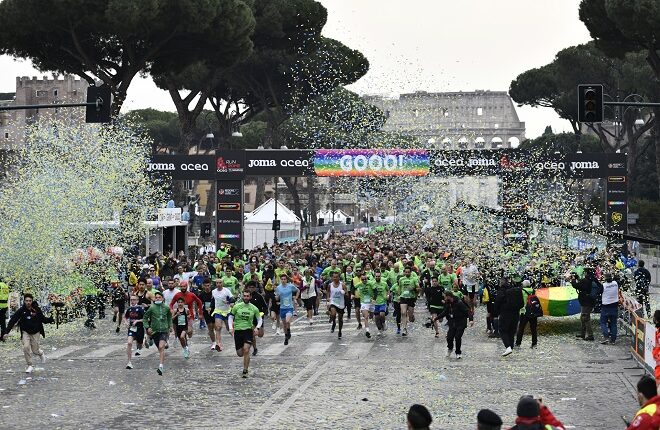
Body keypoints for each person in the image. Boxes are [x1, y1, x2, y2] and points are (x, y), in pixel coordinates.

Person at [1, 293, 53, 373]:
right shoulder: (21, 311)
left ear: (32, 301)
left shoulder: (36, 309)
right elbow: (13, 320)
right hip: (25, 332)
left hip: (36, 332)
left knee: (35, 350)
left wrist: (51, 319)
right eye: (26, 301)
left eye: (30, 301)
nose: (28, 302)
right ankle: (30, 365)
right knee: (26, 347)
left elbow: (43, 319)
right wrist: (6, 332)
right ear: (24, 301)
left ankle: (40, 353)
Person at [229, 290, 263, 377]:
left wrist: (257, 328)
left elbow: (259, 319)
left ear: (250, 297)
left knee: (246, 349)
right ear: (242, 296)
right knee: (240, 353)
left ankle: (245, 370)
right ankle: (245, 358)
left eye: (248, 296)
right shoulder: (237, 307)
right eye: (244, 296)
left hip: (248, 331)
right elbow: (230, 317)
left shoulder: (254, 308)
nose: (246, 298)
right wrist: (230, 328)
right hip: (238, 331)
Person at [143, 291, 172, 375]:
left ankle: (161, 366)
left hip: (164, 330)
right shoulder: (152, 308)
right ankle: (150, 339)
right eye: (156, 298)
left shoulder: (166, 307)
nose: (158, 299)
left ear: (163, 299)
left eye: (159, 297)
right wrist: (147, 327)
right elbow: (145, 318)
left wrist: (169, 326)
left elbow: (169, 317)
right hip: (155, 331)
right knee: (159, 348)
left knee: (161, 346)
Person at [497, 279, 523, 356]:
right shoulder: (515, 291)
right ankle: (511, 347)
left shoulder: (502, 291)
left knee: (502, 330)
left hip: (505, 313)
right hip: (515, 313)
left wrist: (497, 312)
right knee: (511, 331)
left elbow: (498, 302)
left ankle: (508, 347)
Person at [443, 290, 472, 359]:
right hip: (453, 322)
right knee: (449, 337)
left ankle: (458, 352)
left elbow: (467, 311)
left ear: (449, 296)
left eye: (445, 297)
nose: (444, 298)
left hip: (461, 322)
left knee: (458, 337)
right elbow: (445, 312)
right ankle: (450, 348)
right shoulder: (448, 303)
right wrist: (436, 318)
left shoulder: (459, 303)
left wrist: (471, 320)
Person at [573, 269, 599, 341]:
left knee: (585, 318)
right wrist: (578, 278)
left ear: (587, 273)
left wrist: (573, 280)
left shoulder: (585, 280)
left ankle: (590, 335)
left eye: (585, 272)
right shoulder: (593, 280)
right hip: (591, 302)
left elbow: (576, 285)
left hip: (586, 302)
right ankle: (582, 334)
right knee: (583, 317)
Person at [275, 273, 299, 345]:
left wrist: (296, 298)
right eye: (282, 279)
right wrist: (277, 297)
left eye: (284, 279)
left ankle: (288, 331)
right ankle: (286, 337)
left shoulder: (290, 286)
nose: (283, 280)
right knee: (284, 324)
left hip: (289, 307)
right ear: (280, 280)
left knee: (287, 321)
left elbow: (298, 290)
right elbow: (277, 297)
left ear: (286, 280)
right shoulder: (278, 288)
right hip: (282, 307)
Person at [516, 280, 540, 348]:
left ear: (523, 285)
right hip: (533, 311)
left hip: (524, 312)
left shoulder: (521, 291)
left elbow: (519, 301)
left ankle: (518, 343)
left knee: (521, 328)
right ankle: (534, 343)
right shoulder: (533, 291)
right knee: (533, 329)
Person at [212, 278, 234, 352]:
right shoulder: (213, 291)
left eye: (220, 283)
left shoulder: (226, 291)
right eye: (217, 283)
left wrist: (228, 302)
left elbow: (232, 300)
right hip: (218, 311)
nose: (218, 284)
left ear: (223, 283)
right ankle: (218, 344)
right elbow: (212, 300)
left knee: (229, 328)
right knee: (218, 327)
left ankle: (237, 339)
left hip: (227, 311)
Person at [246, 281, 268, 356]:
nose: (251, 289)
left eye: (253, 287)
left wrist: (264, 313)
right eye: (250, 287)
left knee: (260, 334)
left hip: (259, 318)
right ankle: (255, 348)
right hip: (250, 319)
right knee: (252, 334)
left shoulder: (259, 296)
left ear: (255, 288)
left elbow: (265, 306)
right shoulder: (246, 297)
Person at [124, 294, 144, 369]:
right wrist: (126, 322)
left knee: (140, 345)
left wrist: (138, 321)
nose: (132, 301)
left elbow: (145, 319)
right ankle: (129, 362)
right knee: (129, 343)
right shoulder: (129, 309)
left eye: (134, 300)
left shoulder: (140, 309)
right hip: (131, 329)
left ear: (137, 301)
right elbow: (125, 317)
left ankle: (145, 340)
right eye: (131, 300)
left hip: (140, 329)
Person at [398, 266, 420, 337]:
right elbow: (399, 288)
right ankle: (404, 329)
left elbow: (418, 289)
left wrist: (413, 288)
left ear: (411, 272)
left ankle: (411, 316)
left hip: (411, 298)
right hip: (403, 297)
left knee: (410, 317)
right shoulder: (401, 279)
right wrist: (398, 296)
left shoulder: (414, 279)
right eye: (406, 272)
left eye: (408, 272)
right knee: (403, 313)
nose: (407, 273)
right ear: (404, 272)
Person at [196, 278, 217, 350]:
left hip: (215, 311)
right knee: (210, 327)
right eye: (205, 286)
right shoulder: (201, 294)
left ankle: (213, 333)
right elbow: (199, 304)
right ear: (203, 286)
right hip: (206, 312)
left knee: (215, 326)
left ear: (210, 285)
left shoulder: (214, 292)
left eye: (208, 285)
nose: (207, 287)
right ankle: (214, 342)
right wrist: (200, 313)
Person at [600, 273, 619, 344]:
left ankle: (606, 337)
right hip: (614, 305)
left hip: (606, 306)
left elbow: (599, 292)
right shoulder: (615, 283)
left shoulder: (604, 285)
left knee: (603, 322)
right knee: (614, 323)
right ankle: (613, 340)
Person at [328, 271, 347, 339]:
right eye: (334, 277)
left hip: (341, 303)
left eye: (337, 277)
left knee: (340, 319)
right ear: (332, 278)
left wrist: (344, 292)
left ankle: (340, 331)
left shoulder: (342, 285)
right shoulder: (330, 285)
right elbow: (328, 291)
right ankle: (333, 323)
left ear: (339, 277)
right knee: (333, 314)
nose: (335, 278)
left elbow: (347, 293)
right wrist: (328, 298)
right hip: (333, 302)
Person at [356, 272, 374, 338]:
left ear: (367, 279)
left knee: (371, 316)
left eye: (365, 279)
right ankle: (367, 331)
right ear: (361, 279)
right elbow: (353, 288)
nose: (364, 281)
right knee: (366, 316)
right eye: (362, 279)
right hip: (363, 302)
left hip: (371, 302)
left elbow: (375, 290)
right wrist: (352, 294)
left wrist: (374, 298)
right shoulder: (359, 284)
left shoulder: (371, 283)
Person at [371, 270, 389, 335]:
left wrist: (387, 295)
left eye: (379, 276)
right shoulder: (372, 283)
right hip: (375, 303)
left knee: (382, 314)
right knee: (376, 318)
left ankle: (384, 323)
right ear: (374, 276)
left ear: (381, 276)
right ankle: (379, 329)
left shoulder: (384, 283)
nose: (377, 277)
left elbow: (388, 290)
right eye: (376, 276)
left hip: (383, 302)